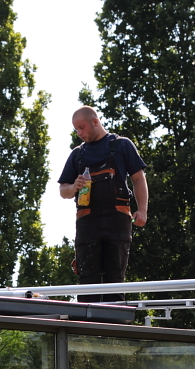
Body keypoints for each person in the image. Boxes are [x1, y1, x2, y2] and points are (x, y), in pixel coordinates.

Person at [58, 106, 148, 302]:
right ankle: (86, 320)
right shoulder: (77, 154)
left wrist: (142, 210)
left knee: (114, 278)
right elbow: (63, 190)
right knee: (87, 280)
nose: (79, 133)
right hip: (87, 222)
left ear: (95, 122)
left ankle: (114, 320)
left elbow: (138, 178)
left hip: (118, 219)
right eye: (76, 129)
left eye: (82, 127)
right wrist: (74, 186)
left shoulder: (122, 145)